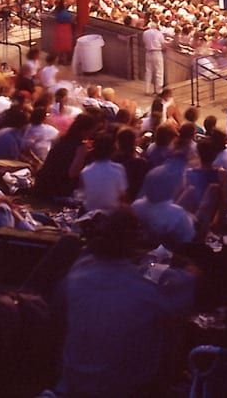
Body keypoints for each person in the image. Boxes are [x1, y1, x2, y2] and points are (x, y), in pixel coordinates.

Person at [56, 211, 196, 397]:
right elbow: (194, 275)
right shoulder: (148, 279)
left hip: (73, 383)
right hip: (125, 388)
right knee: (172, 322)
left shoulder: (81, 269)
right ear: (135, 239)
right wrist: (162, 255)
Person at [79, 131, 128, 212]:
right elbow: (123, 196)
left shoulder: (85, 171)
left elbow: (83, 194)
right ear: (113, 150)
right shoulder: (118, 169)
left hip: (89, 212)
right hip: (112, 213)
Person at [142, 18, 166, 95]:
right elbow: (163, 44)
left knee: (148, 71)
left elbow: (144, 42)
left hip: (148, 52)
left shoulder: (145, 33)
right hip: (157, 52)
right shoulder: (159, 33)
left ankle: (147, 90)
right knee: (159, 72)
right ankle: (159, 91)